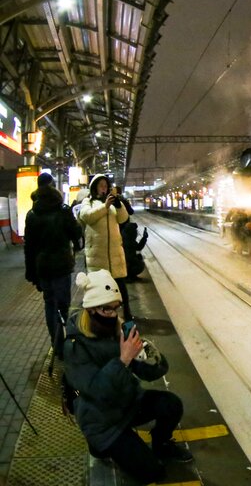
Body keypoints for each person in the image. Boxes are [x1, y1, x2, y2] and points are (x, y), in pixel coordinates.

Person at [64, 270, 192, 484]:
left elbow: (151, 373)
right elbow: (97, 391)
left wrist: (149, 355)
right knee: (152, 473)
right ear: (91, 309)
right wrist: (123, 359)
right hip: (102, 420)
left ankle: (161, 444)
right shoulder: (75, 346)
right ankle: (99, 445)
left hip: (128, 403)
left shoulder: (117, 330)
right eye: (106, 309)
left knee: (171, 404)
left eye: (116, 308)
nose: (113, 315)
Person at [24, 172, 83, 352]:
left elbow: (29, 247)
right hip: (61, 266)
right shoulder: (63, 210)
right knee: (63, 306)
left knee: (49, 303)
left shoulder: (32, 214)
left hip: (43, 267)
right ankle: (63, 342)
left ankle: (55, 343)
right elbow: (77, 234)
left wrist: (31, 272)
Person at [78, 174, 132, 319]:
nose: (104, 188)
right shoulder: (88, 201)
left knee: (121, 288)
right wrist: (105, 206)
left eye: (105, 185)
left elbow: (123, 219)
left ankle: (127, 317)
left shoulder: (113, 203)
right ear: (95, 187)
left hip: (115, 254)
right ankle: (97, 319)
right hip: (97, 255)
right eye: (100, 185)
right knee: (99, 290)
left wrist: (119, 205)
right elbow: (86, 216)